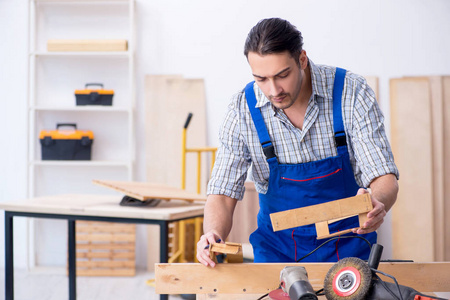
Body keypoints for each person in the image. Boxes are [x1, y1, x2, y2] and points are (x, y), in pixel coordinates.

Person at [196, 18, 399, 267]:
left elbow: (384, 178)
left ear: (302, 59)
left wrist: (377, 201)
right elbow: (222, 193)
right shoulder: (243, 109)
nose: (273, 90)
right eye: (261, 79)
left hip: (349, 248)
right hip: (276, 253)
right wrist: (213, 234)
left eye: (282, 75)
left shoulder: (350, 92)